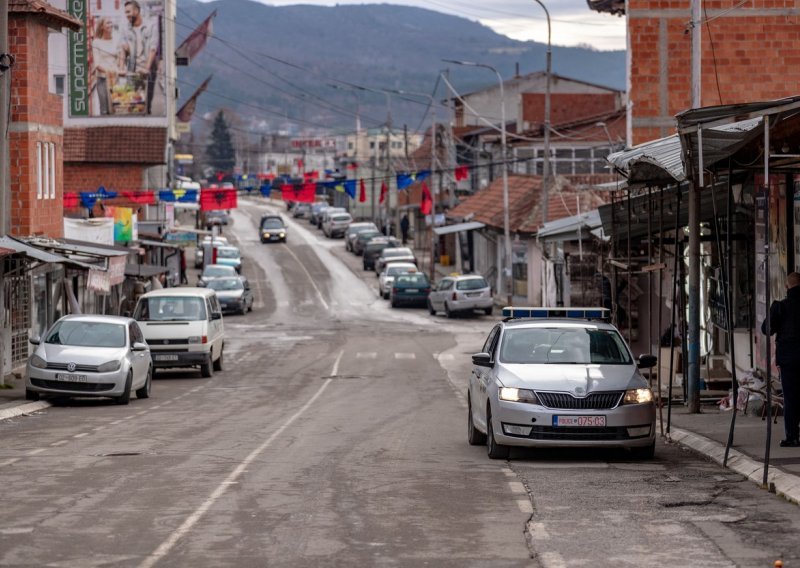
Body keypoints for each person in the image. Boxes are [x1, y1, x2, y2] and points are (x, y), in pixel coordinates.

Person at [761, 271, 800, 447]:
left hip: (789, 359)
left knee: (791, 398)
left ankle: (792, 436)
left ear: (787, 286)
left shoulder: (781, 307)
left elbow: (766, 329)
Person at [118, 0, 157, 114]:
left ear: (137, 10)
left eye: (128, 12)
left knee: (146, 103)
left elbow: (152, 48)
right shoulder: (125, 28)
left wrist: (147, 68)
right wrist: (121, 67)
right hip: (132, 68)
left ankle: (146, 115)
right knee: (132, 100)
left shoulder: (150, 26)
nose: (127, 15)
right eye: (125, 12)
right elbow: (123, 48)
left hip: (148, 67)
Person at [91, 17, 119, 115]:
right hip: (102, 80)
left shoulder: (116, 40)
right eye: (108, 23)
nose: (110, 25)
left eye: (111, 22)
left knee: (116, 108)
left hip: (115, 80)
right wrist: (109, 72)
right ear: (102, 26)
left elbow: (120, 59)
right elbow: (97, 64)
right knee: (104, 110)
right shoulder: (96, 42)